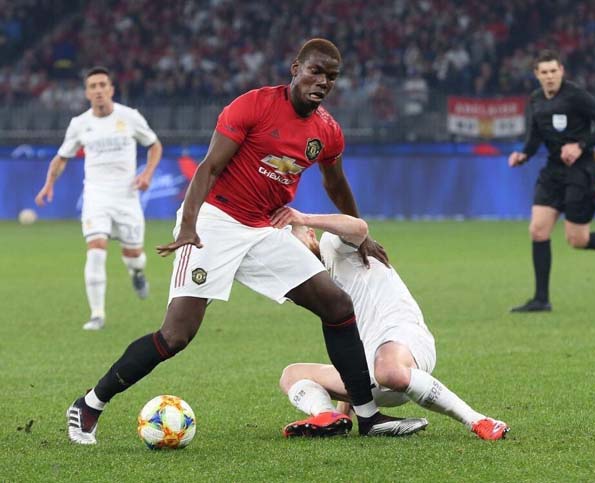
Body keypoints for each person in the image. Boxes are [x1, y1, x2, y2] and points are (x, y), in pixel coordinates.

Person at [65, 39, 428, 445]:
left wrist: (360, 233)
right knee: (176, 335)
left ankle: (368, 417)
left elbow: (336, 183)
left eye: (331, 76)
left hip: (261, 228)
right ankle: (89, 404)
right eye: (315, 71)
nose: (323, 82)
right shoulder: (253, 106)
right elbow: (209, 167)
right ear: (296, 68)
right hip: (215, 223)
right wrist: (189, 225)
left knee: (338, 305)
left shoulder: (327, 131)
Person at [271, 206, 509, 440]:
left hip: (404, 340)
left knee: (388, 370)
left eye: (293, 239)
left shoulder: (332, 245)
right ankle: (328, 417)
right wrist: (349, 406)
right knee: (291, 375)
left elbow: (359, 228)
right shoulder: (315, 286)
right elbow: (348, 349)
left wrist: (304, 218)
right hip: (369, 375)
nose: (294, 251)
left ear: (310, 233)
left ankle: (479, 420)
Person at [508, 50, 595, 313]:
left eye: (554, 71)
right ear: (536, 75)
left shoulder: (575, 95)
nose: (550, 76)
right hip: (553, 172)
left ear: (561, 71)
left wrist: (580, 145)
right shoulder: (536, 99)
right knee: (538, 230)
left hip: (581, 171)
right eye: (544, 72)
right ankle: (541, 299)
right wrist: (523, 154)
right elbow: (535, 135)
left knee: (577, 239)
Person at [35, 66, 163, 330]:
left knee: (134, 255)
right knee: (96, 249)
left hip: (127, 196)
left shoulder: (129, 117)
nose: (98, 90)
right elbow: (62, 157)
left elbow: (154, 145)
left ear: (111, 89)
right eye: (93, 86)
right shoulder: (79, 124)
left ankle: (137, 272)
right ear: (87, 93)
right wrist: (48, 184)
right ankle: (97, 314)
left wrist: (147, 174)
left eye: (103, 85)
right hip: (96, 195)